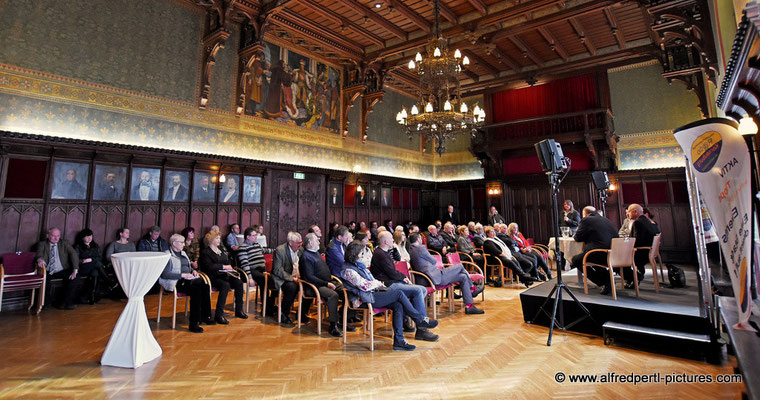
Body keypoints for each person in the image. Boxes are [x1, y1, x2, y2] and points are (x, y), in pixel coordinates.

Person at [341, 240, 439, 351]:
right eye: (361, 252)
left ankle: (399, 341)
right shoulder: (348, 270)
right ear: (354, 253)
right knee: (399, 294)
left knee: (398, 304)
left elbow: (371, 281)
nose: (363, 254)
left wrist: (377, 283)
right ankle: (419, 319)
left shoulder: (358, 265)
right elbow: (365, 286)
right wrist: (378, 283)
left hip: (374, 293)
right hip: (365, 298)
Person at [370, 232, 438, 341]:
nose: (393, 240)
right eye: (391, 238)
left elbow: (394, 268)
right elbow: (392, 272)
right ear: (386, 241)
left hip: (393, 282)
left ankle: (407, 318)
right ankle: (422, 329)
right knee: (418, 291)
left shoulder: (384, 252)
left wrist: (402, 277)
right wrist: (403, 277)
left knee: (421, 290)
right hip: (388, 286)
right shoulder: (380, 254)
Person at [409, 233, 484, 314]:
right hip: (435, 277)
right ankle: (472, 288)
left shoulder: (410, 249)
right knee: (460, 266)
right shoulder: (421, 248)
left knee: (463, 277)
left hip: (428, 277)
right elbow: (434, 261)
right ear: (418, 239)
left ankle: (469, 306)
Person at [159, 234, 215, 332]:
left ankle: (205, 316)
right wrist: (182, 275)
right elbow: (164, 274)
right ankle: (194, 323)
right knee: (197, 289)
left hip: (188, 279)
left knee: (205, 286)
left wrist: (193, 271)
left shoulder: (183, 253)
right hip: (176, 281)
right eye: (181, 242)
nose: (183, 244)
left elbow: (189, 267)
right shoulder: (167, 255)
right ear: (173, 243)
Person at [300, 233, 351, 337]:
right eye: (317, 240)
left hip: (327, 282)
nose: (319, 242)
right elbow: (309, 277)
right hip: (314, 286)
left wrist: (329, 281)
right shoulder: (306, 256)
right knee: (333, 295)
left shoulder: (316, 253)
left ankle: (342, 319)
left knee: (348, 291)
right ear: (310, 243)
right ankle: (333, 326)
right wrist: (326, 283)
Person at [199, 231, 246, 323]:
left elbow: (227, 261)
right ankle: (219, 314)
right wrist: (223, 267)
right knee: (225, 285)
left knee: (238, 282)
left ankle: (239, 310)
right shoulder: (205, 252)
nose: (219, 240)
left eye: (219, 238)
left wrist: (229, 267)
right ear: (211, 240)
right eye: (217, 238)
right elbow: (209, 267)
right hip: (212, 276)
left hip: (224, 274)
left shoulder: (221, 249)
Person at [571, 206, 619, 295]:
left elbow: (578, 238)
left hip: (600, 253)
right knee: (591, 256)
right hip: (614, 253)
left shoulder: (586, 220)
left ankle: (604, 282)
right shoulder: (606, 219)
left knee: (576, 260)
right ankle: (608, 280)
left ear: (585, 214)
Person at [35, 228, 82, 309]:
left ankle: (65, 302)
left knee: (75, 278)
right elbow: (39, 254)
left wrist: (75, 270)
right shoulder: (42, 244)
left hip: (62, 270)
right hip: (48, 270)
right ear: (47, 236)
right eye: (53, 236)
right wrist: (40, 260)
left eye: (58, 236)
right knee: (44, 280)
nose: (56, 238)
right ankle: (45, 304)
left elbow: (73, 253)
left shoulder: (64, 243)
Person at [237, 227, 275, 315]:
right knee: (264, 280)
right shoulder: (243, 247)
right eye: (254, 235)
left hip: (262, 270)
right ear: (248, 237)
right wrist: (250, 278)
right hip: (251, 270)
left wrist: (276, 250)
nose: (256, 237)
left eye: (256, 235)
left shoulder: (256, 244)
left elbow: (265, 250)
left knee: (274, 280)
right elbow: (244, 264)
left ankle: (270, 304)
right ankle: (266, 307)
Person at [271, 232, 303, 326]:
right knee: (292, 287)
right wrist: (292, 278)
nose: (300, 244)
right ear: (290, 243)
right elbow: (277, 270)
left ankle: (302, 313)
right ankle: (284, 313)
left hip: (296, 277)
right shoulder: (280, 250)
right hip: (281, 278)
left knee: (307, 285)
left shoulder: (300, 250)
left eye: (301, 242)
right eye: (298, 242)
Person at [626, 203, 661, 288]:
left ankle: (634, 278)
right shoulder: (651, 222)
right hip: (650, 253)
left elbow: (636, 241)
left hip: (641, 254)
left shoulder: (637, 222)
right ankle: (638, 274)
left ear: (635, 212)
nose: (627, 214)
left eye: (629, 212)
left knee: (620, 258)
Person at [74, 228, 102, 304]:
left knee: (95, 272)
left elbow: (99, 257)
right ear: (82, 238)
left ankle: (92, 298)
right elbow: (75, 260)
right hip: (82, 268)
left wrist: (91, 260)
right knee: (96, 264)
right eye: (87, 236)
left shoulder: (95, 245)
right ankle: (109, 281)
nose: (90, 238)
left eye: (91, 236)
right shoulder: (78, 247)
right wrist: (83, 260)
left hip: (93, 267)